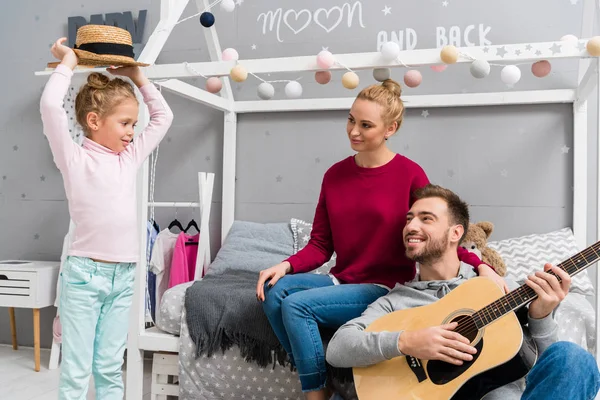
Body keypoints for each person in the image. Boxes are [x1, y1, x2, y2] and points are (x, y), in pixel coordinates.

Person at [256, 80, 506, 399]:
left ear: (391, 128)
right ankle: (317, 368)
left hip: (384, 286)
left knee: (297, 307)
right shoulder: (334, 175)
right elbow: (321, 244)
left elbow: (438, 231)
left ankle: (316, 391)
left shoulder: (410, 174)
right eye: (350, 120)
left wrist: (481, 266)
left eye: (365, 125)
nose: (354, 131)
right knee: (273, 290)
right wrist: (285, 266)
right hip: (342, 280)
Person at [326, 184, 600, 400]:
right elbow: (338, 348)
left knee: (573, 358)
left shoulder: (498, 289)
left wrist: (541, 317)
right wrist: (408, 342)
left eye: (426, 219)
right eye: (409, 219)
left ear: (456, 233)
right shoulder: (394, 301)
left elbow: (553, 374)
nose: (411, 226)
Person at [41, 37, 173, 399]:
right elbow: (50, 106)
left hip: (125, 275)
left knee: (109, 368)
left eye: (134, 124)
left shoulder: (127, 158)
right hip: (84, 276)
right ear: (94, 120)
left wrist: (138, 79)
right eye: (126, 123)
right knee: (77, 371)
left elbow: (164, 117)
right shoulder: (73, 158)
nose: (133, 131)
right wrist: (67, 62)